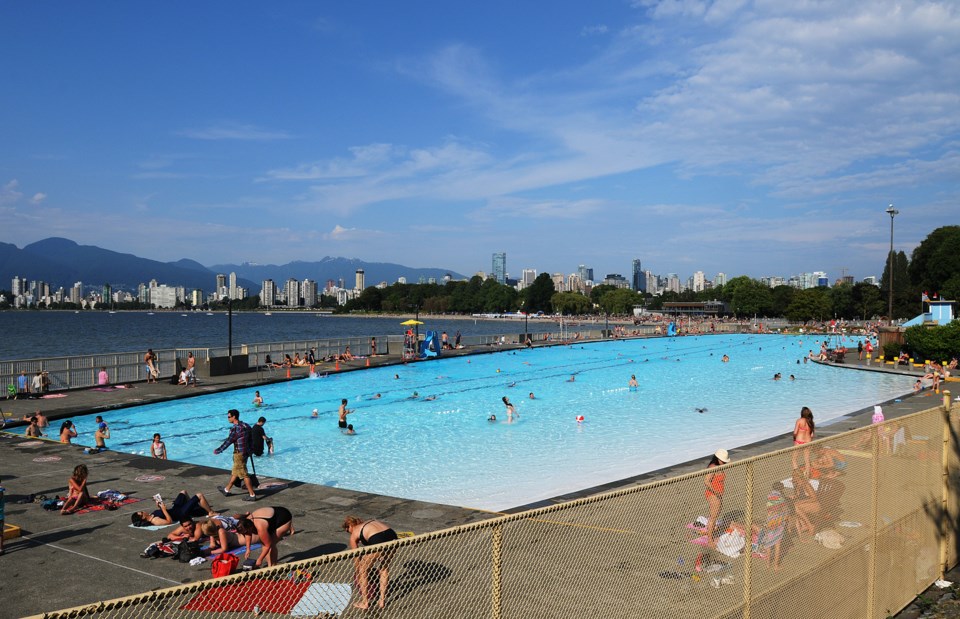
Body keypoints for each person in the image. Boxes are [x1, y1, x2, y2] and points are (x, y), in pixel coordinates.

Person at [342, 516, 398, 610]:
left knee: (363, 569)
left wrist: (358, 572)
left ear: (350, 526)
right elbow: (378, 537)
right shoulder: (370, 522)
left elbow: (356, 557)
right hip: (392, 536)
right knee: (384, 568)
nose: (349, 533)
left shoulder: (354, 533)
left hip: (377, 538)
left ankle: (365, 603)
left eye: (348, 531)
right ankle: (382, 600)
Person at [213, 409, 257, 502]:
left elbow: (229, 441)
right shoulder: (246, 425)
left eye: (229, 417)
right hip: (246, 453)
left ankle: (252, 495)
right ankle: (226, 490)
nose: (228, 418)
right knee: (236, 471)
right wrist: (251, 450)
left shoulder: (235, 429)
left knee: (244, 474)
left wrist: (219, 450)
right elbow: (251, 439)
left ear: (234, 417)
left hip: (239, 454)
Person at [131, 491, 217, 527]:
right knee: (199, 495)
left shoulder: (151, 515)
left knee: (183, 492)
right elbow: (169, 521)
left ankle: (194, 508)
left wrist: (159, 506)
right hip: (181, 513)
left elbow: (163, 513)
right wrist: (164, 509)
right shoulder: (155, 521)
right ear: (142, 517)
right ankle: (210, 512)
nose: (143, 511)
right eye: (141, 513)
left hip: (175, 509)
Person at [704, 449, 730, 548]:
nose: (724, 463)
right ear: (718, 458)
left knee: (715, 515)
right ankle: (710, 540)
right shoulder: (713, 467)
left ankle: (711, 531)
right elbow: (706, 481)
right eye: (723, 461)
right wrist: (715, 492)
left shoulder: (719, 466)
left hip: (718, 494)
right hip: (713, 494)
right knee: (713, 517)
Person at [791, 468, 821, 538]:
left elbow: (814, 498)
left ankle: (810, 525)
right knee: (793, 506)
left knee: (796, 507)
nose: (792, 478)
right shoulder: (796, 485)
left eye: (794, 476)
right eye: (792, 476)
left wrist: (801, 501)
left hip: (815, 505)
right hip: (805, 505)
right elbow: (799, 496)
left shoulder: (806, 485)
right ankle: (804, 525)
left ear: (798, 477)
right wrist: (794, 497)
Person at [792, 406, 815, 475]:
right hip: (808, 442)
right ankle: (807, 475)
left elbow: (795, 432)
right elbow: (812, 435)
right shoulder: (811, 422)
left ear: (801, 413)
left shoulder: (799, 420)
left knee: (794, 459)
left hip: (799, 441)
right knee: (807, 460)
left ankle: (798, 475)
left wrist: (794, 439)